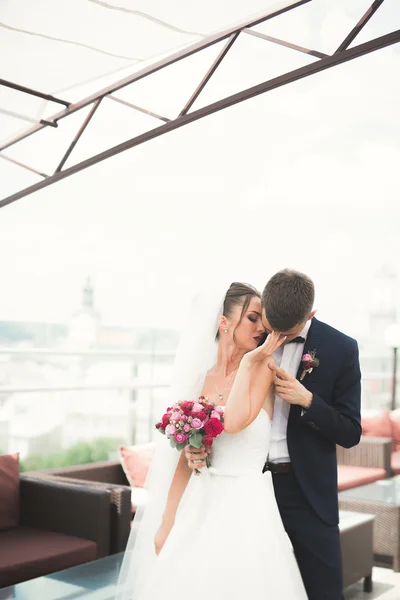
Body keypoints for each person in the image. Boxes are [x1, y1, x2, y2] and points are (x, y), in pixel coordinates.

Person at [114, 281, 308, 600]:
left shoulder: (262, 367)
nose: (262, 327)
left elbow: (232, 422)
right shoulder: (201, 379)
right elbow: (186, 457)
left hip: (247, 504)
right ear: (223, 321)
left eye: (264, 319)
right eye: (252, 318)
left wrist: (247, 362)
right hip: (201, 501)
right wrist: (167, 520)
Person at [186, 269, 362, 600]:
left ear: (310, 315)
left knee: (323, 591)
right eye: (269, 324)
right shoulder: (246, 340)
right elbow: (218, 410)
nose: (273, 334)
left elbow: (351, 432)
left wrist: (307, 400)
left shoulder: (341, 349)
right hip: (244, 490)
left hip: (305, 490)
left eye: (286, 330)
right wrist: (198, 448)